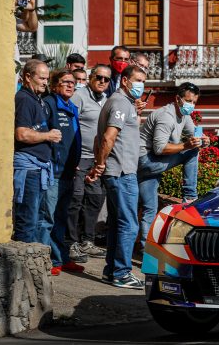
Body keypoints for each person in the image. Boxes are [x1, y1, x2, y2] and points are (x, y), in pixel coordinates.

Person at [86, 65, 147, 289]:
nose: (141, 84)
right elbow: (107, 137)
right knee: (129, 224)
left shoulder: (122, 102)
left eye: (143, 80)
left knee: (117, 223)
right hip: (121, 172)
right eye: (137, 79)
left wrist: (99, 163)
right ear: (124, 80)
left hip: (118, 171)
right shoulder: (120, 102)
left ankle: (111, 270)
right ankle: (122, 272)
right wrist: (100, 163)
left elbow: (99, 137)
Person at [137, 82, 209, 251]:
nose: (191, 105)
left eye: (194, 102)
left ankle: (145, 249)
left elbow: (194, 136)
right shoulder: (166, 116)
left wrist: (204, 141)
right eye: (188, 100)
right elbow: (160, 148)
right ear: (177, 99)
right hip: (146, 160)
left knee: (150, 208)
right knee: (192, 152)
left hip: (150, 165)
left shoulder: (184, 115)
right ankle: (190, 196)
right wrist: (187, 146)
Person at [13, 59, 61, 242]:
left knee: (37, 220)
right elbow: (22, 134)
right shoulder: (24, 99)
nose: (45, 82)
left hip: (39, 169)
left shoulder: (38, 100)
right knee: (27, 222)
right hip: (29, 170)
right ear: (27, 77)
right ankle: (22, 268)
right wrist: (48, 136)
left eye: (47, 79)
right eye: (41, 78)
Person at [42, 70, 84, 275]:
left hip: (69, 171)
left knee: (61, 218)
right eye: (65, 82)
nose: (70, 85)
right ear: (54, 84)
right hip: (54, 171)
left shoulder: (72, 107)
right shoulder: (49, 103)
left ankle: (60, 257)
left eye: (73, 82)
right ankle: (46, 261)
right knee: (47, 217)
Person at [67, 65, 111, 262]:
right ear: (91, 78)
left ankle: (88, 241)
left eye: (106, 79)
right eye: (99, 77)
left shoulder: (107, 101)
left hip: (97, 159)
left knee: (95, 199)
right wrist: (72, 157)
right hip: (79, 157)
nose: (102, 82)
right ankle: (71, 243)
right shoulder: (79, 96)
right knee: (75, 200)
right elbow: (70, 125)